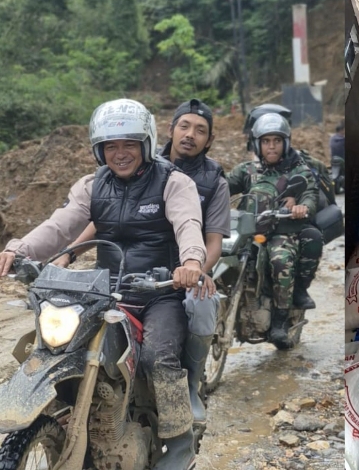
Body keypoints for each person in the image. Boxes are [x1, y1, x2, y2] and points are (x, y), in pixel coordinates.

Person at [0, 99, 207, 470]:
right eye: (111, 145)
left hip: (158, 292)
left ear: (146, 143)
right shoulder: (92, 185)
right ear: (99, 149)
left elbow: (188, 223)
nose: (120, 153)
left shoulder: (175, 182)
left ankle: (180, 443)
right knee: (56, 346)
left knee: (158, 357)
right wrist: (19, 248)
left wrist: (191, 262)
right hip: (105, 290)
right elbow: (61, 223)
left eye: (129, 144)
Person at [57, 99, 229, 429]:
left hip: (171, 277)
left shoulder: (203, 181)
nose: (190, 135)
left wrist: (195, 267)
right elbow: (100, 218)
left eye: (200, 130)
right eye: (184, 126)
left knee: (197, 310)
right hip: (115, 282)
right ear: (168, 131)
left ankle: (186, 405)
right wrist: (67, 252)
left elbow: (197, 231)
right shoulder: (121, 171)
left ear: (209, 139)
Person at [227, 113, 318, 345]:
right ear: (258, 143)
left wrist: (301, 207)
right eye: (266, 141)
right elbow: (223, 188)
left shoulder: (297, 170)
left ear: (285, 143)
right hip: (248, 232)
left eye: (276, 141)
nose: (271, 146)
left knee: (280, 261)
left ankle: (279, 320)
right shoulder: (247, 170)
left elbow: (310, 194)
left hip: (282, 232)